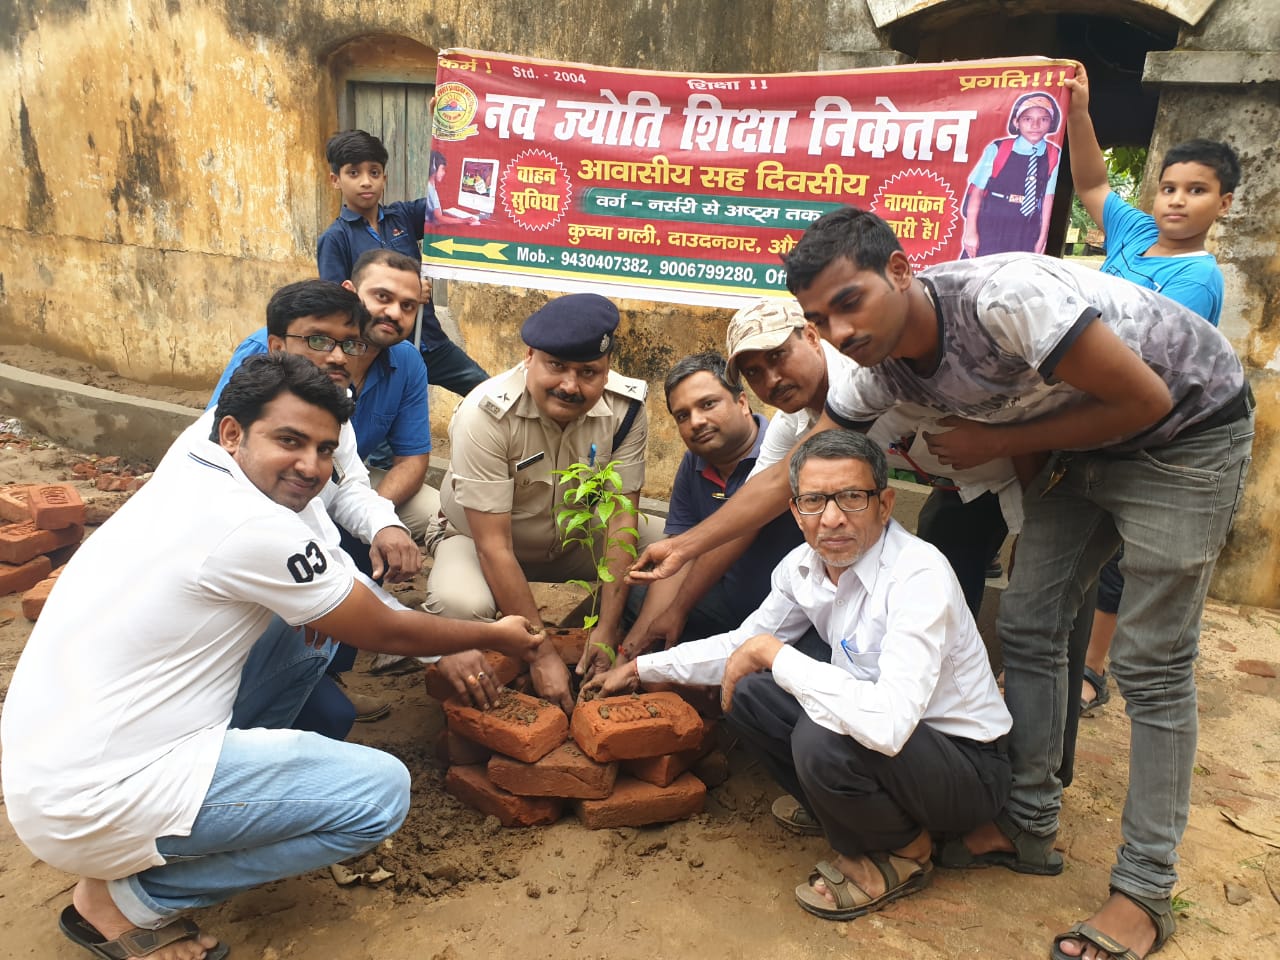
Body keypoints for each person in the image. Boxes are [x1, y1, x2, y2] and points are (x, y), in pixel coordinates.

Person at [0, 353, 542, 960]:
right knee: (379, 795)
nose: (310, 466)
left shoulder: (193, 463)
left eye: (324, 450)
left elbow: (335, 583)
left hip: (49, 764)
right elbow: (386, 629)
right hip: (96, 796)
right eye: (289, 441)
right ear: (233, 431)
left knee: (304, 636)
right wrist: (494, 636)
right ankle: (127, 902)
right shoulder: (250, 524)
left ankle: (168, 833)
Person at [590, 430, 1010, 921]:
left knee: (821, 735)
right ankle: (859, 815)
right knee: (748, 693)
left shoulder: (919, 576)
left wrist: (775, 656)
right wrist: (641, 668)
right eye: (813, 501)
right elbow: (741, 645)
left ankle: (903, 851)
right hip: (896, 753)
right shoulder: (804, 567)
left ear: (885, 503)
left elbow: (889, 723)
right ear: (795, 510)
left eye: (851, 497)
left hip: (964, 767)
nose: (831, 518)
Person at [1064, 62, 1241, 718]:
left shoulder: (1198, 280)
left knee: (1117, 560)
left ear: (1223, 204)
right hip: (1092, 409)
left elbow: (1148, 364)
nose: (1175, 200)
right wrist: (1080, 112)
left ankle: (1091, 667)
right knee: (1072, 544)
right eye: (1168, 187)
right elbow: (1089, 180)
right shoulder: (1135, 233)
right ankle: (1057, 658)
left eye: (1196, 190)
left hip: (1150, 433)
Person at [424, 293, 660, 713]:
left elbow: (622, 523)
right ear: (529, 356)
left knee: (667, 555)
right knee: (460, 605)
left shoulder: (626, 410)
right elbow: (492, 546)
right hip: (482, 543)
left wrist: (606, 628)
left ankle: (604, 634)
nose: (571, 386)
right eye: (557, 366)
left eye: (589, 372)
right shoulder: (486, 413)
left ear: (607, 370)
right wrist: (542, 653)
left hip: (572, 543)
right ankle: (489, 684)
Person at [207, 278, 422, 729]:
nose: (338, 356)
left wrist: (386, 526)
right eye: (318, 340)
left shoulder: (328, 408)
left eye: (350, 344)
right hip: (214, 629)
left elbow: (350, 486)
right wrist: (453, 647)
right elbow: (324, 555)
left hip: (279, 583)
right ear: (275, 344)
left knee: (329, 708)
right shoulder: (244, 429)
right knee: (331, 723)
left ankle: (316, 678)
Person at [726, 297, 1020, 621]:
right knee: (948, 569)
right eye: (754, 372)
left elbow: (1023, 406)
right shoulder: (791, 422)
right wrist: (683, 559)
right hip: (967, 485)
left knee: (1033, 598)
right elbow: (757, 496)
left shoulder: (877, 374)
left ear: (811, 337)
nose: (772, 379)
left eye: (779, 356)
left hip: (1038, 462)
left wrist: (995, 442)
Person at [211, 251, 439, 542]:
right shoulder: (274, 350)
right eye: (382, 297)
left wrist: (370, 519)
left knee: (438, 514)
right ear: (350, 294)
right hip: (266, 489)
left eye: (407, 306)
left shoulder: (407, 362)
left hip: (343, 479)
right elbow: (220, 445)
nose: (394, 313)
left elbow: (408, 461)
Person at [613, 351, 803, 663]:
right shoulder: (694, 463)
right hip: (725, 599)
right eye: (682, 416)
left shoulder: (783, 453)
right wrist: (631, 649)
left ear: (742, 403)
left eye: (707, 404)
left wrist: (675, 613)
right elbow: (678, 557)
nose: (696, 422)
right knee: (639, 594)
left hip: (789, 613)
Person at [317, 129, 488, 398]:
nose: (366, 182)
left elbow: (452, 191)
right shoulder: (336, 238)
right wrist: (405, 294)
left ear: (384, 178)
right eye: (354, 173)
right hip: (378, 356)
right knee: (384, 431)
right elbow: (334, 306)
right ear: (335, 180)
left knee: (490, 394)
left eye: (374, 173)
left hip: (431, 344)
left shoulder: (403, 217)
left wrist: (449, 130)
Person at [961, 91, 1062, 257]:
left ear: (1051, 122)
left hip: (1026, 229)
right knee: (977, 275)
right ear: (1016, 122)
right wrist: (971, 232)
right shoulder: (998, 149)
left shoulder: (1053, 154)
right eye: (1027, 119)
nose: (1035, 125)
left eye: (1043, 119)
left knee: (1015, 278)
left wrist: (1042, 238)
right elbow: (977, 192)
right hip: (991, 222)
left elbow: (1048, 199)